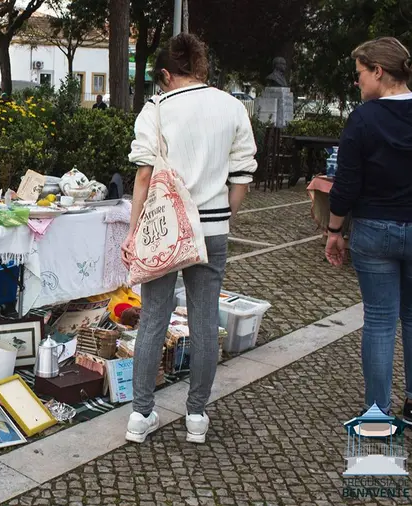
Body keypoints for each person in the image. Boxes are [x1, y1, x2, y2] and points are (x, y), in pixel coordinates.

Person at [123, 33, 258, 444]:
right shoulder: (232, 106)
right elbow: (242, 178)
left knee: (152, 321)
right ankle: (196, 416)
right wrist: (221, 219)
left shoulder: (156, 108)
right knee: (203, 323)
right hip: (213, 229)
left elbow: (144, 175)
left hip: (164, 232)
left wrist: (132, 231)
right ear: (201, 67)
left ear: (166, 73)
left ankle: (140, 416)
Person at [325, 37, 412, 426]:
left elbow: (346, 183)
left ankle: (378, 414)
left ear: (378, 72)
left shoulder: (363, 118)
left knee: (381, 321)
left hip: (374, 230)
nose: (357, 82)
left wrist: (335, 230)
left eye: (360, 74)